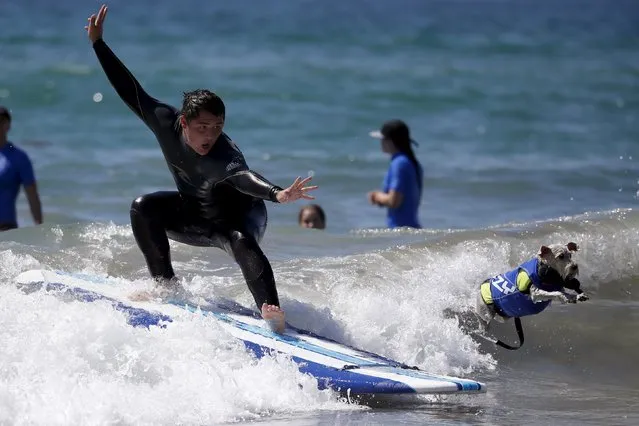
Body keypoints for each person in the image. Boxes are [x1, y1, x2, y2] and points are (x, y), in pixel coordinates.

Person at [85, 5, 318, 333]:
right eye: (203, 127)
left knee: (241, 240)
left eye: (218, 126)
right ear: (184, 122)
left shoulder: (222, 154)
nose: (211, 134)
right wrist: (98, 43)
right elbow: (129, 89)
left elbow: (244, 178)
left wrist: (276, 194)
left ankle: (272, 313)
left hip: (238, 218)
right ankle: (167, 289)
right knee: (143, 207)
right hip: (194, 214)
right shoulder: (164, 122)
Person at [367, 119, 423, 229]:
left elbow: (394, 201)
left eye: (382, 139)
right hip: (411, 228)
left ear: (391, 141)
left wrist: (376, 196)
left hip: (401, 231)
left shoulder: (399, 163)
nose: (381, 143)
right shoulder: (412, 163)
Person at [0, 106, 43, 231]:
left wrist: (39, 227)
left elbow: (32, 194)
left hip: (6, 228)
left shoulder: (18, 157)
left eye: (1, 121)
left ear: (8, 125)